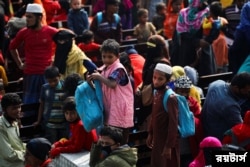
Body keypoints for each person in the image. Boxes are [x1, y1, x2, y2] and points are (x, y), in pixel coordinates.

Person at [9, 3, 58, 104]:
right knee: (30, 105)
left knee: (49, 103)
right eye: (26, 16)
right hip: (30, 74)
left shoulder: (51, 31)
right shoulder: (23, 32)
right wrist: (19, 64)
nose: (27, 19)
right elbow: (12, 47)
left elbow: (65, 42)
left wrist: (55, 60)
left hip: (46, 74)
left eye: (30, 17)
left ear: (39, 17)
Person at [88, 39, 134, 144]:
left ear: (117, 56)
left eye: (110, 57)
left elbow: (112, 84)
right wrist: (91, 80)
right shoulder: (104, 68)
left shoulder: (119, 69)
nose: (107, 60)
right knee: (111, 141)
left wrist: (99, 77)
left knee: (120, 142)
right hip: (111, 109)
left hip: (120, 110)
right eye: (104, 56)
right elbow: (101, 87)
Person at [146, 63, 180, 167]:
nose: (156, 81)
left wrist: (169, 146)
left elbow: (173, 124)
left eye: (160, 79)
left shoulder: (170, 98)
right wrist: (150, 133)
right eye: (154, 77)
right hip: (158, 139)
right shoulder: (156, 92)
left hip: (167, 141)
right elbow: (154, 115)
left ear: (168, 80)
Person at [201, 72, 250, 141]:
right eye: (248, 91)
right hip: (220, 140)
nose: (248, 94)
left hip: (206, 128)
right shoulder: (230, 106)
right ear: (236, 88)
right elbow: (242, 130)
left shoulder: (217, 84)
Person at [33, 66, 68, 143]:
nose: (52, 83)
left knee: (64, 143)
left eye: (55, 80)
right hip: (50, 124)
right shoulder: (45, 88)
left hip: (64, 124)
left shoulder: (65, 87)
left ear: (59, 76)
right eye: (49, 81)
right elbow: (42, 105)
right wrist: (38, 120)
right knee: (51, 145)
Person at [174, 76, 203, 167]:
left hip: (190, 141)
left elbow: (198, 117)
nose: (183, 94)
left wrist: (188, 118)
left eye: (186, 91)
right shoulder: (171, 101)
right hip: (176, 139)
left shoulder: (192, 102)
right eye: (181, 91)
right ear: (176, 90)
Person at [171, 0, 209, 68]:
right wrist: (197, 41)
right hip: (186, 50)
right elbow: (182, 32)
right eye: (201, 1)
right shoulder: (183, 13)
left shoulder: (207, 13)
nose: (204, 3)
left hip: (202, 50)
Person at [0, 93, 26, 167]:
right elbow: (9, 154)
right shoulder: (1, 127)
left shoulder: (14, 121)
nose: (18, 110)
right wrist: (28, 154)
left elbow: (17, 145)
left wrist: (31, 147)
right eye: (14, 108)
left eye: (19, 107)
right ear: (4, 109)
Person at [228, 1, 250, 75]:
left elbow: (245, 26)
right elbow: (245, 26)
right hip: (242, 40)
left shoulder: (247, 6)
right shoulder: (247, 6)